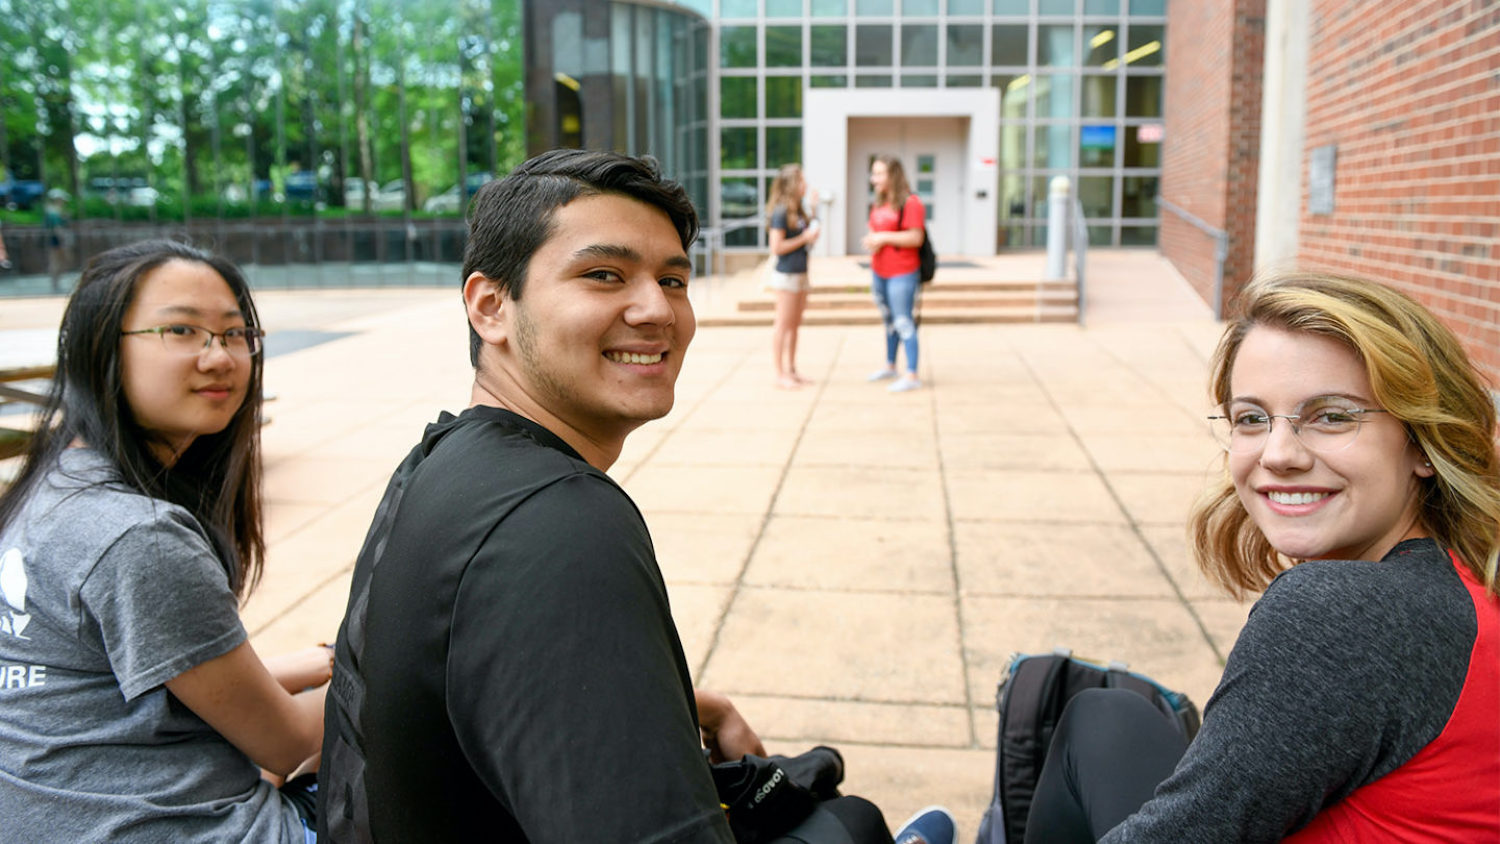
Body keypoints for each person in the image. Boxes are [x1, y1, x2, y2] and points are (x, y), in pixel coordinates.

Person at [320, 149, 894, 843]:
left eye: (674, 280)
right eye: (604, 275)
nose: (658, 310)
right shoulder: (558, 526)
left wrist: (672, 710)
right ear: (490, 307)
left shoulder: (441, 459)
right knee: (855, 824)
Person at [1013, 270, 1500, 841]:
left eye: (1332, 415)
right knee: (1105, 716)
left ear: (1422, 441)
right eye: (1251, 418)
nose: (1278, 454)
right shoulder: (1464, 580)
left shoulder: (1341, 614)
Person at [0, 240, 331, 841]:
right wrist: (383, 676)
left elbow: (109, 687)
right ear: (100, 346)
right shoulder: (135, 536)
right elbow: (285, 742)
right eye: (182, 330)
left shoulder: (49, 489)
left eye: (235, 334)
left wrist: (311, 666)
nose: (220, 357)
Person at [860, 155, 926, 393]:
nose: (873, 178)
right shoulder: (879, 203)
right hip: (880, 271)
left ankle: (912, 374)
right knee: (889, 321)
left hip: (903, 273)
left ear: (892, 175)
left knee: (903, 321)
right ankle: (890, 365)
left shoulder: (911, 202)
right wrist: (873, 240)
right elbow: (874, 230)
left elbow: (915, 237)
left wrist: (883, 238)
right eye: (873, 173)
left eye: (879, 174)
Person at [765, 163, 819, 389]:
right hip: (786, 276)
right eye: (802, 180)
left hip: (801, 274)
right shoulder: (780, 212)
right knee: (783, 324)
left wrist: (815, 215)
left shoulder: (800, 210)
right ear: (792, 184)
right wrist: (805, 238)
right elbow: (776, 247)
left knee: (795, 325)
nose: (805, 185)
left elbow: (808, 240)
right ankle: (780, 374)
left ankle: (792, 370)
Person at [43, 193, 68, 292]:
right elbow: (57, 228)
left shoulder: (54, 211)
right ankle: (55, 284)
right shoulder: (54, 212)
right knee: (56, 261)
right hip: (56, 239)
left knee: (57, 261)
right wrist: (62, 240)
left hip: (55, 238)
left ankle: (56, 284)